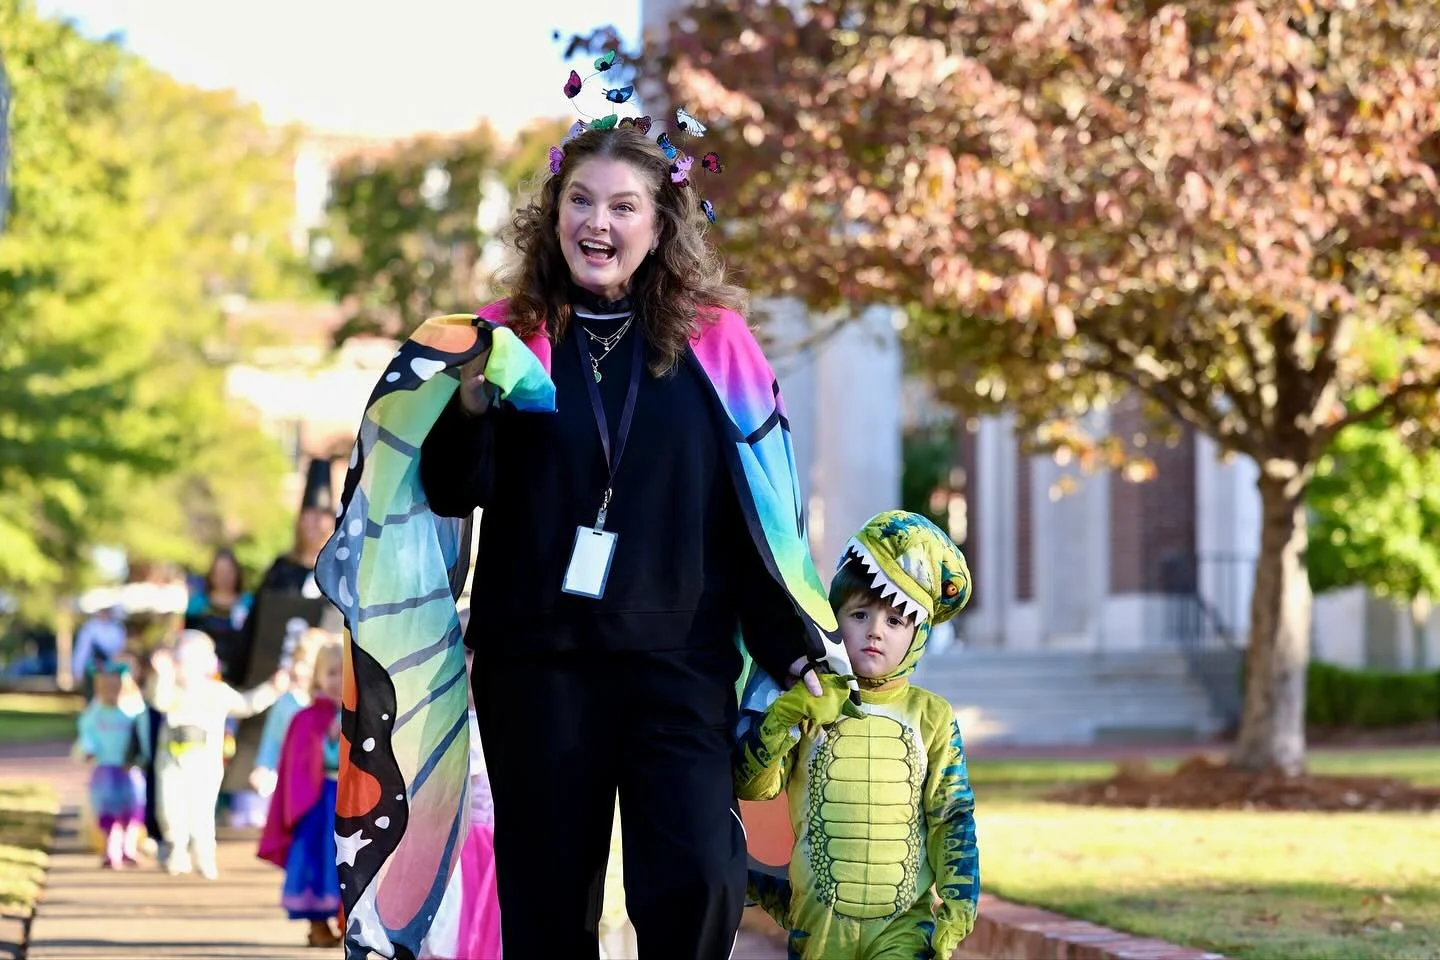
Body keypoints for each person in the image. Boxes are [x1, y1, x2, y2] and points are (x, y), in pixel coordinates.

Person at [315, 90, 854, 958]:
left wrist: (789, 637)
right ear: (553, 214)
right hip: (539, 667)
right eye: (580, 201)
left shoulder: (716, 345)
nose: (597, 223)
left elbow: (759, 510)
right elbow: (453, 493)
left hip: (679, 662)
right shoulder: (503, 340)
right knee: (549, 904)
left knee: (699, 882)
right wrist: (471, 405)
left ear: (659, 225)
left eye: (622, 206)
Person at [735, 511, 980, 960]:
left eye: (895, 621)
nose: (874, 632)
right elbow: (755, 786)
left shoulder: (934, 717)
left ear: (918, 635)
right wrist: (784, 715)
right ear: (833, 618)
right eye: (860, 613)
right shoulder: (805, 698)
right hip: (818, 924)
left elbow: (951, 815)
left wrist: (960, 905)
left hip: (905, 927)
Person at [222, 460, 337, 828]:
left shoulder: (341, 567)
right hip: (277, 675)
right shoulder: (280, 569)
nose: (313, 524)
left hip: (323, 678)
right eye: (307, 516)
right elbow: (258, 626)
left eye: (321, 516)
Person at [151, 629, 287, 878]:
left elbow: (247, 705)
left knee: (202, 811)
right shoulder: (171, 690)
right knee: (169, 809)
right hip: (170, 762)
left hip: (205, 763)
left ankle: (204, 855)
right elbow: (159, 701)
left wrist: (272, 689)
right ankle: (177, 851)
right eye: (181, 661)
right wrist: (163, 676)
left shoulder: (217, 692)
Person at [420, 617, 502, 960]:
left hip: (491, 843)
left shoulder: (505, 720)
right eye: (462, 652)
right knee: (446, 934)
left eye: (476, 652)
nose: (469, 663)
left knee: (487, 929)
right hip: (453, 842)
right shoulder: (437, 721)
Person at [258, 640, 344, 948]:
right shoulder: (306, 719)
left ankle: (350, 923)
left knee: (350, 860)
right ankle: (318, 924)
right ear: (319, 677)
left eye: (347, 673)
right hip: (318, 803)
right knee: (317, 860)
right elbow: (301, 762)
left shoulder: (364, 714)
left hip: (353, 802)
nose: (340, 681)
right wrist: (329, 742)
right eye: (332, 673)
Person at [73, 663, 148, 869]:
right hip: (105, 768)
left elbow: (142, 737)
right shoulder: (95, 712)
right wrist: (89, 749)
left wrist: (138, 758)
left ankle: (129, 848)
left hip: (129, 768)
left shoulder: (134, 710)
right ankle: (112, 850)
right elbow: (87, 733)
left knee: (132, 809)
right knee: (108, 811)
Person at [250, 627, 327, 802]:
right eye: (296, 661)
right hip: (288, 784)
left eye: (306, 663)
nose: (298, 669)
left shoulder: (331, 705)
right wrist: (264, 767)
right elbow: (273, 738)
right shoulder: (287, 700)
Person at [184, 548, 253, 687]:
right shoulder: (197, 605)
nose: (224, 577)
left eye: (229, 572)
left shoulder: (248, 604)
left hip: (239, 676)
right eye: (220, 572)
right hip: (203, 678)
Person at [71, 605, 127, 692]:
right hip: (93, 669)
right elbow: (82, 651)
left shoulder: (117, 629)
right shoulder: (89, 628)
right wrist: (78, 671)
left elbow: (120, 650)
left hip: (111, 669)